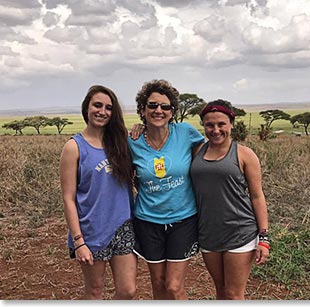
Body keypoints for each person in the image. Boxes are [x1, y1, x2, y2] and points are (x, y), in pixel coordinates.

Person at [128, 79, 205, 300]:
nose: (158, 110)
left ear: (173, 112)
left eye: (165, 106)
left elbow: (207, 158)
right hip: (148, 220)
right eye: (152, 105)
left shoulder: (186, 133)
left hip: (183, 219)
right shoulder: (132, 141)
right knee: (159, 284)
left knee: (173, 286)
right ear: (142, 109)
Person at [59, 85, 138, 299]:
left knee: (128, 290)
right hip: (91, 230)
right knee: (94, 291)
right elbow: (68, 198)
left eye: (108, 108)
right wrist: (79, 242)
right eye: (97, 105)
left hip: (123, 226)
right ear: (87, 107)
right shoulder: (74, 147)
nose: (102, 111)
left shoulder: (122, 143)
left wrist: (141, 129)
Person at [190, 99, 270, 300]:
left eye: (221, 124)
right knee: (221, 291)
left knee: (234, 295)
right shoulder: (197, 151)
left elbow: (257, 195)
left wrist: (264, 237)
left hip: (239, 231)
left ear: (231, 124)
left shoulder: (244, 155)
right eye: (209, 125)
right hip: (208, 232)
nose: (215, 130)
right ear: (203, 126)